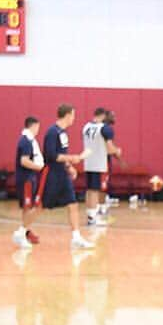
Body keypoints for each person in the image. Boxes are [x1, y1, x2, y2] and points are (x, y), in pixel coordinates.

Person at [43, 103, 94, 250]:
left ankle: (76, 237)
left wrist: (69, 166)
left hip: (62, 175)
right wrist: (72, 158)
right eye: (73, 115)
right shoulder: (52, 132)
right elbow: (51, 155)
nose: (74, 118)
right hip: (53, 175)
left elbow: (62, 155)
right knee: (42, 206)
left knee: (73, 204)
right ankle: (22, 230)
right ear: (67, 115)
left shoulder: (63, 133)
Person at [81, 105, 121, 227]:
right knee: (95, 190)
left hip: (88, 162)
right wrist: (117, 151)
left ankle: (90, 215)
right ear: (103, 116)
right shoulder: (105, 128)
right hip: (99, 163)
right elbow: (109, 149)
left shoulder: (86, 127)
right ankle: (93, 218)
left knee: (89, 190)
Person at [14, 116, 45, 247]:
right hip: (26, 178)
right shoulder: (26, 141)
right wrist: (39, 167)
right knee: (28, 207)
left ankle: (26, 231)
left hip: (29, 178)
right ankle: (21, 234)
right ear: (33, 126)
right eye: (38, 127)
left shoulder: (28, 140)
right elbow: (24, 161)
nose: (38, 130)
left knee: (29, 207)